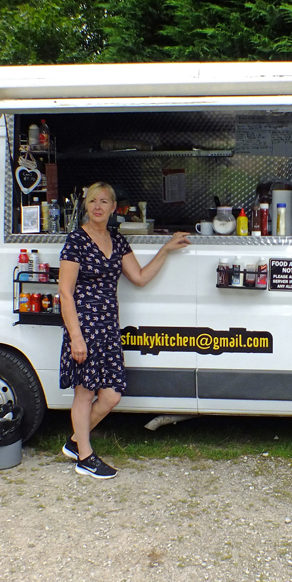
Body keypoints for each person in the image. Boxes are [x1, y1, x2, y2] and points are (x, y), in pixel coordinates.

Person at [58, 182, 190, 478]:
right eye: (93, 201)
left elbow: (140, 277)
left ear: (113, 207)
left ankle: (77, 442)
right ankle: (86, 458)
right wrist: (76, 338)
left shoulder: (117, 241)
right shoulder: (76, 241)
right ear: (86, 205)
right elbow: (65, 293)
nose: (98, 206)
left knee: (112, 395)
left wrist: (165, 249)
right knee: (85, 393)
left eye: (104, 201)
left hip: (107, 327)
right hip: (84, 328)